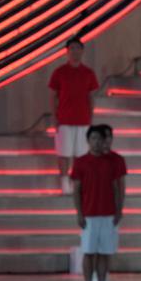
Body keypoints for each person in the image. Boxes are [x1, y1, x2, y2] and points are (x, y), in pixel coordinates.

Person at [71, 125, 124, 281]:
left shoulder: (111, 162)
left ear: (104, 141)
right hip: (89, 215)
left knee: (104, 253)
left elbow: (116, 188)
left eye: (99, 139)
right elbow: (76, 190)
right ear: (88, 141)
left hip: (108, 214)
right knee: (89, 252)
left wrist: (118, 210)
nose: (96, 142)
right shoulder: (80, 162)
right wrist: (79, 213)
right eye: (93, 138)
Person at [49, 37, 98, 194]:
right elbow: (53, 96)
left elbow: (91, 97)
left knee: (81, 155)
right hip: (64, 120)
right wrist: (54, 117)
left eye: (78, 48)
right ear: (67, 51)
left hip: (83, 120)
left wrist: (90, 118)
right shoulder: (59, 72)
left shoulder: (88, 73)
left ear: (82, 51)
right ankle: (64, 184)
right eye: (72, 48)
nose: (75, 51)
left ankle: (77, 183)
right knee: (63, 153)